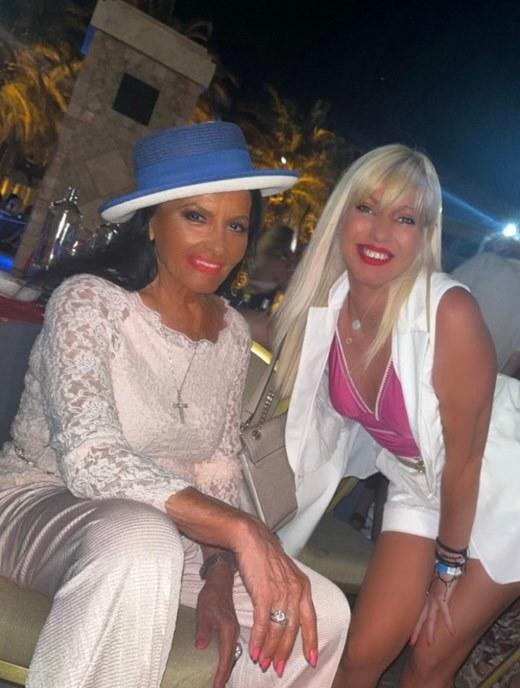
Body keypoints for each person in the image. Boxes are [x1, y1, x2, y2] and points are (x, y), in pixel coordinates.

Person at [0, 121, 350, 688]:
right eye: (196, 217)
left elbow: (217, 467)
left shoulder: (232, 332)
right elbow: (89, 458)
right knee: (143, 541)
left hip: (171, 529)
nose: (219, 246)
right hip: (42, 502)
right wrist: (241, 531)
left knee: (325, 612)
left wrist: (219, 574)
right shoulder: (89, 302)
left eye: (236, 225)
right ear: (152, 222)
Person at [273, 144, 520, 687]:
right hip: (418, 481)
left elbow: (467, 461)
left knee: (429, 658)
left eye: (404, 218)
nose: (381, 231)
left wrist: (446, 571)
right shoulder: (327, 304)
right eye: (367, 207)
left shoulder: (448, 311)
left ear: (424, 234)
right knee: (361, 654)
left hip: (503, 485)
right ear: (341, 215)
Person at [452, 233, 520, 378]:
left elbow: (443, 293)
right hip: (482, 379)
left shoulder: (487, 261)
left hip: (448, 358)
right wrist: (495, 384)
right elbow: (516, 356)